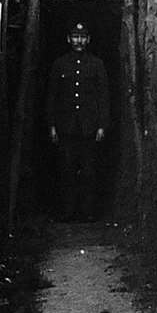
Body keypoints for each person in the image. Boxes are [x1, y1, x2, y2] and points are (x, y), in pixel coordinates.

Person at [44, 21, 110, 221]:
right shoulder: (60, 64)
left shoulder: (97, 64)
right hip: (66, 128)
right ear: (68, 39)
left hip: (89, 128)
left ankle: (88, 213)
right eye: (75, 37)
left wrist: (101, 125)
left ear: (88, 40)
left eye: (82, 37)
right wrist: (52, 125)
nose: (78, 41)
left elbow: (103, 97)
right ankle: (67, 213)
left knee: (89, 172)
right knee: (66, 171)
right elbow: (52, 96)